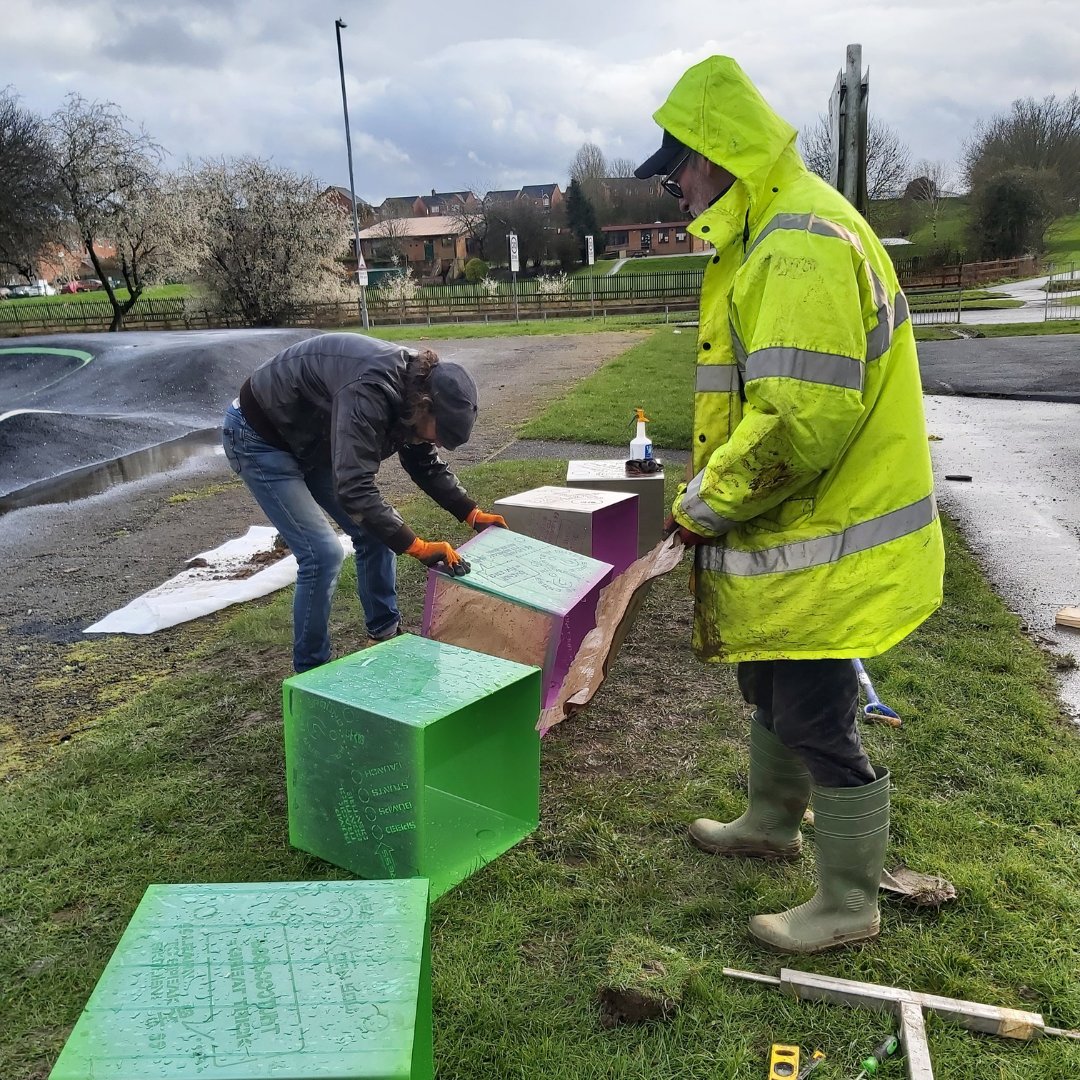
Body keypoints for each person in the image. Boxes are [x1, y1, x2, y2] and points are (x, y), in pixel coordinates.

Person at [636, 57, 944, 953]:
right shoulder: (772, 230)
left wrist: (703, 503)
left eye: (680, 169)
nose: (677, 190)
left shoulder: (796, 242)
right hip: (802, 532)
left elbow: (798, 420)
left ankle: (849, 904)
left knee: (816, 714)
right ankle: (770, 823)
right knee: (766, 682)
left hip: (830, 540)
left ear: (719, 156)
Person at [221, 333, 506, 673]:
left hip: (313, 439)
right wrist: (416, 546)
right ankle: (313, 671)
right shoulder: (370, 391)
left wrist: (470, 512)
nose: (437, 444)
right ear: (426, 406)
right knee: (321, 554)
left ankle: (384, 636)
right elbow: (354, 488)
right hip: (260, 437)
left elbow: (423, 462)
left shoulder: (418, 390)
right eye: (438, 434)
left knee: (376, 531)